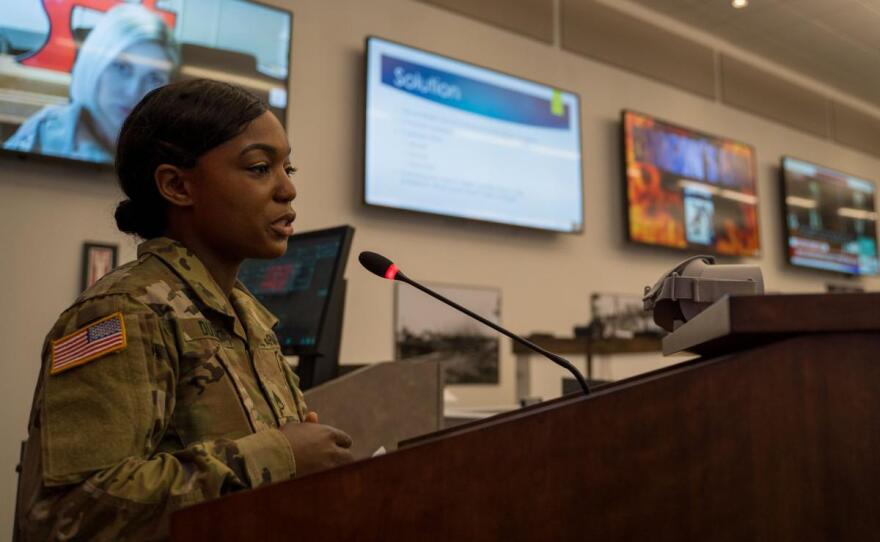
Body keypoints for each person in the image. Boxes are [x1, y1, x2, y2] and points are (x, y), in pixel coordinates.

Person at [15, 79, 355, 541]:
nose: (287, 190)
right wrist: (279, 454)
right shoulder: (122, 313)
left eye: (287, 167)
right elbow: (66, 516)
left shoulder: (247, 317)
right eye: (259, 167)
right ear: (176, 185)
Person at [4, 4, 178, 163]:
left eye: (154, 78)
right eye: (122, 68)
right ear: (95, 66)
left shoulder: (170, 152)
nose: (133, 91)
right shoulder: (45, 132)